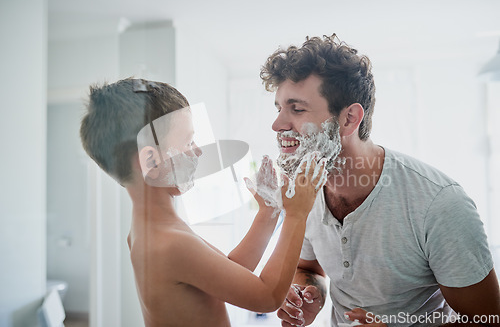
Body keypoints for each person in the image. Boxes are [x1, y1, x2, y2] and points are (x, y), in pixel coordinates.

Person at [260, 35, 500, 326]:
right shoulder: (302, 194)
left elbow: (488, 319)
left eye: (297, 109)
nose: (277, 125)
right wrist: (312, 294)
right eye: (279, 109)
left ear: (349, 119)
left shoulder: (439, 204)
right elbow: (308, 266)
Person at [79, 78, 328, 327]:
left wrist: (268, 213)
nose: (197, 151)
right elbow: (267, 297)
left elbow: (230, 270)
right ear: (152, 163)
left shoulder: (155, 231)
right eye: (188, 142)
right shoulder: (169, 243)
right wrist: (297, 215)